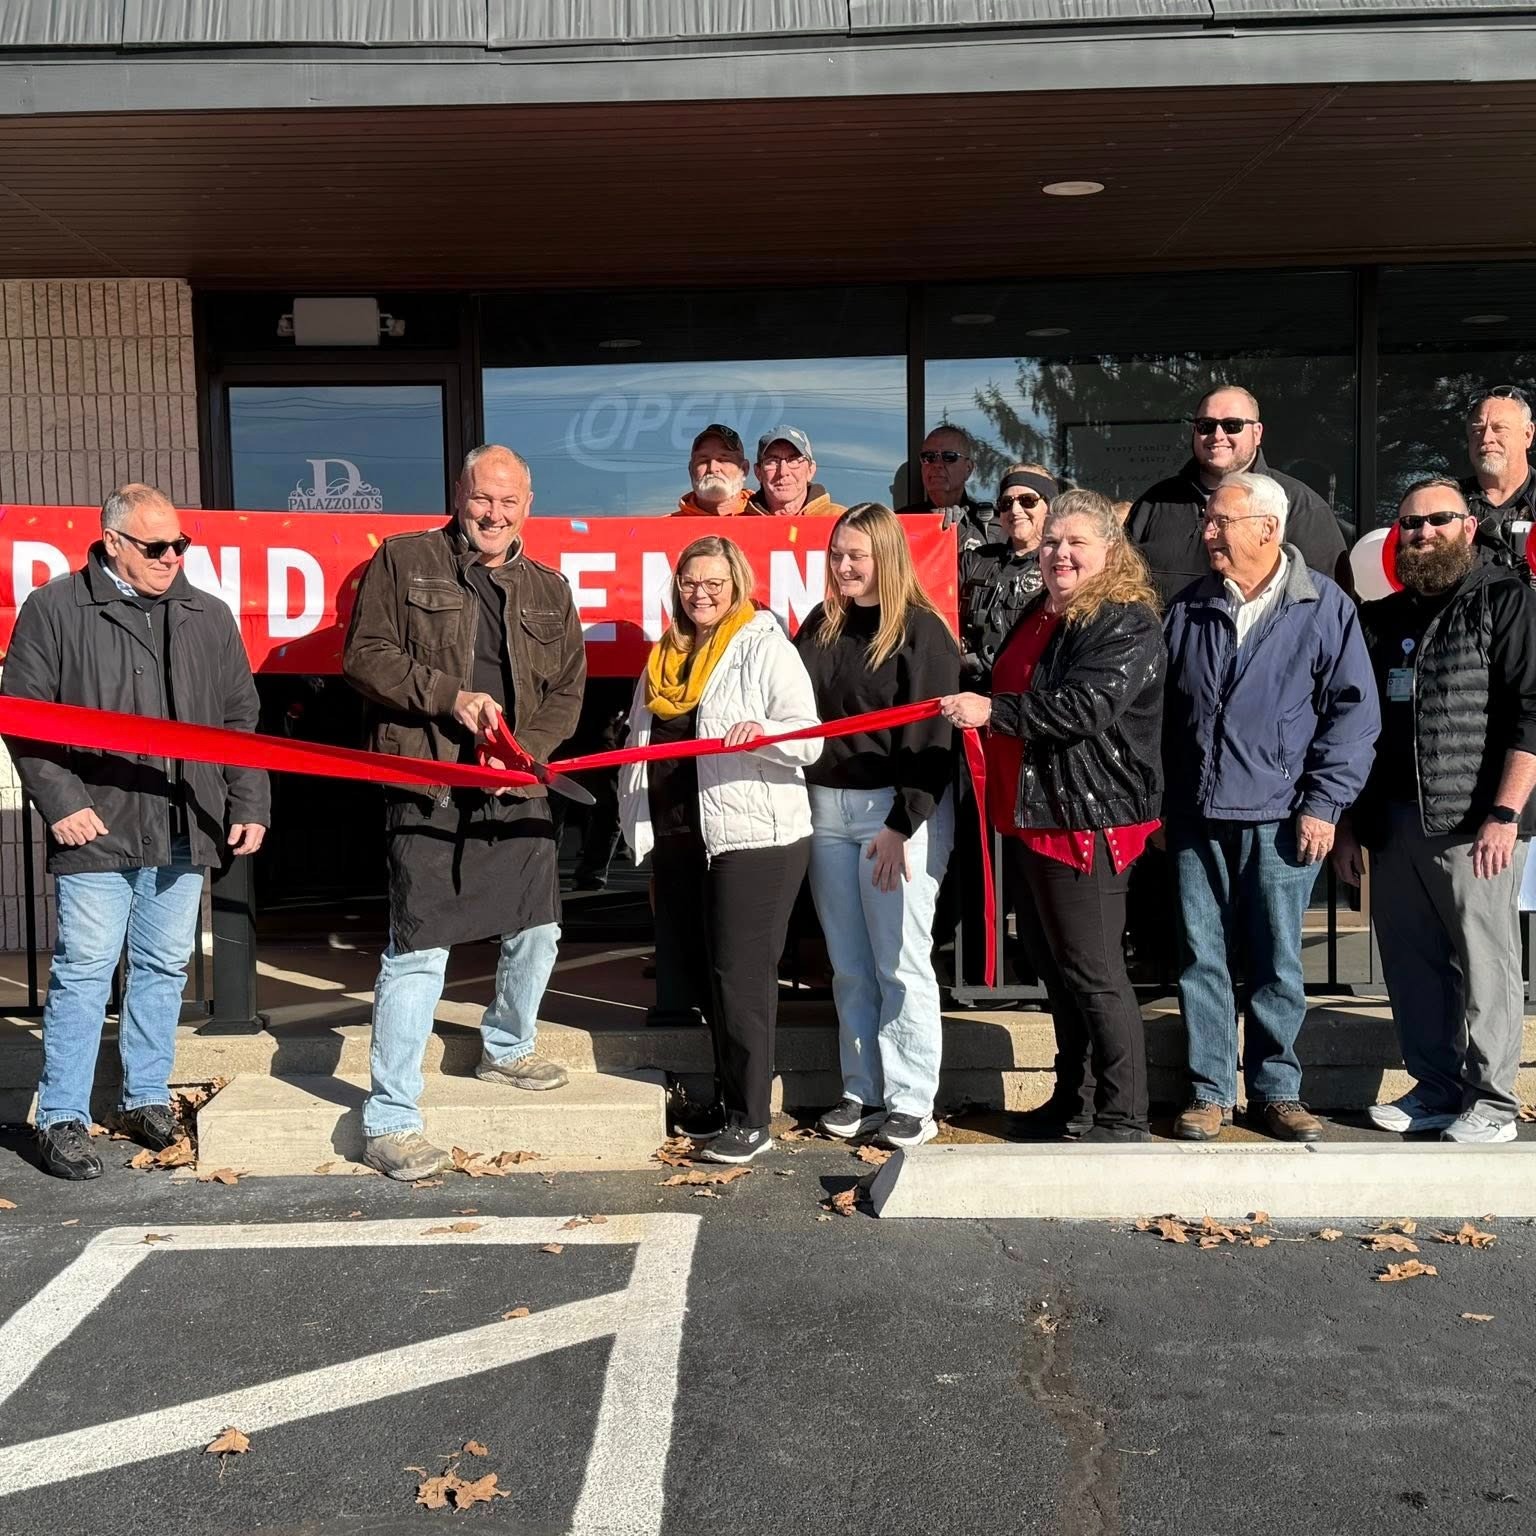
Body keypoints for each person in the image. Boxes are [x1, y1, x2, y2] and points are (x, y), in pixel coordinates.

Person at [0, 483, 269, 1180]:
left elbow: (239, 719)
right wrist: (59, 802)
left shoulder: (206, 614)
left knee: (161, 969)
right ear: (112, 541)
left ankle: (144, 1096)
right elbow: (24, 717)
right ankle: (60, 1116)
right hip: (96, 827)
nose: (173, 556)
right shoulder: (57, 608)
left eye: (181, 544)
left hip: (184, 824)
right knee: (86, 972)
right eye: (157, 546)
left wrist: (248, 800)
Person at [343, 444, 586, 1181]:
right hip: (430, 784)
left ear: (528, 507)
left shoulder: (550, 587)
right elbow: (365, 656)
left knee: (538, 928)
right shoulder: (402, 559)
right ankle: (390, 1118)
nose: (494, 513)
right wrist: (450, 696)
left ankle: (507, 1048)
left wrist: (522, 754)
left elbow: (568, 694)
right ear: (459, 494)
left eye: (509, 502)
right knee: (419, 949)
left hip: (516, 786)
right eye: (483, 498)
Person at [1162, 473, 1379, 1143]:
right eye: (1207, 521)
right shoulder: (1189, 605)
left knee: (1277, 961)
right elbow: (1163, 714)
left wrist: (1325, 805)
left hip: (1285, 818)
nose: (1207, 533)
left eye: (1220, 522)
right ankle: (1208, 1092)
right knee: (1202, 959)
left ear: (1266, 528)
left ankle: (1277, 1090)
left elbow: (1354, 716)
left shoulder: (1324, 605)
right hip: (1199, 817)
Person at [942, 490, 1165, 1143]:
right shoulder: (1044, 611)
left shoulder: (1125, 619)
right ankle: (1074, 1101)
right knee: (1059, 972)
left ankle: (1123, 1117)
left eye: (1076, 544)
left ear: (1108, 551)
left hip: (1086, 820)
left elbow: (1084, 707)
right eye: (1052, 543)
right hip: (1035, 815)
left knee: (1095, 975)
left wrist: (993, 713)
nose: (1060, 554)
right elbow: (1011, 681)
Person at [1335, 477, 1536, 1145]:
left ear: (1468, 528)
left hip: (1474, 826)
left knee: (1486, 963)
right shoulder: (1384, 618)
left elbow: (1531, 716)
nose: (1423, 534)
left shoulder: (1505, 602)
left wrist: (1505, 815)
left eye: (1437, 521)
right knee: (1412, 965)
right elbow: (1356, 727)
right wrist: (1349, 825)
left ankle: (1495, 1103)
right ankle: (1436, 1089)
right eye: (1411, 525)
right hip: (1394, 824)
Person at [617, 536, 821, 1163]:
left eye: (713, 582)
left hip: (754, 838)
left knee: (741, 978)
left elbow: (809, 739)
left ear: (737, 585)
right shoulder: (667, 654)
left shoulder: (762, 643)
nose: (700, 593)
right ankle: (731, 1101)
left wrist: (763, 736)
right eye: (689, 582)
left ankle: (752, 1118)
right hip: (684, 837)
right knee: (707, 978)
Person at [796, 503, 959, 1148]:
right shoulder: (821, 625)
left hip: (894, 813)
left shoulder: (923, 632)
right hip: (826, 812)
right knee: (849, 963)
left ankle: (911, 1098)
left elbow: (932, 735)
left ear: (887, 557)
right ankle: (860, 1089)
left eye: (856, 555)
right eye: (836, 554)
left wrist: (903, 821)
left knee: (900, 961)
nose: (843, 567)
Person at [1126, 385, 1349, 607]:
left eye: (1232, 425)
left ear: (1257, 432)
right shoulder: (1154, 504)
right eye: (1206, 425)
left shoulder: (1300, 507)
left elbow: (1331, 610)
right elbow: (1120, 587)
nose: (1217, 435)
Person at [958, 464, 1058, 689]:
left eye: (1027, 500)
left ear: (1050, 507)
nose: (1015, 510)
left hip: (1033, 698)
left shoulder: (1063, 565)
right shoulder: (973, 561)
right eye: (1006, 503)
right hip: (970, 695)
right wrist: (945, 534)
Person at [1460, 386, 1536, 579]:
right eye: (1477, 430)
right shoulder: (1447, 506)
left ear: (1528, 435)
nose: (1486, 438)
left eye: (1499, 428)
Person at [898, 425, 1000, 554]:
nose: (937, 465)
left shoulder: (990, 524)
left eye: (949, 457)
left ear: (968, 469)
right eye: (929, 457)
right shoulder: (900, 523)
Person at [746, 427, 845, 517]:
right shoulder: (738, 523)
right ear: (758, 472)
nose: (783, 472)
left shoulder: (841, 521)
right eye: (772, 461)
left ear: (810, 470)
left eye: (793, 460)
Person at [673, 424, 752, 517]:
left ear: (744, 469)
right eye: (703, 461)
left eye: (723, 460)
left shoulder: (767, 521)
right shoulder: (664, 528)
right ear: (691, 470)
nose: (713, 468)